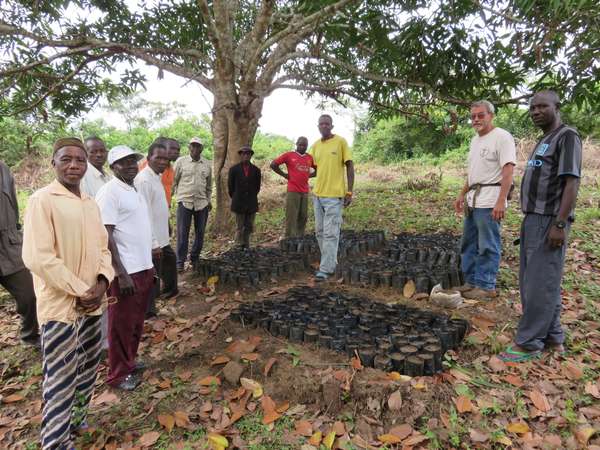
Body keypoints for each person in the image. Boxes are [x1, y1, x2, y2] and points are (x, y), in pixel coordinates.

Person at [22, 138, 114, 449]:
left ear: (86, 164)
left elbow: (102, 249)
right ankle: (55, 442)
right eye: (66, 159)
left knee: (88, 366)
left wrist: (101, 283)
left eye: (79, 159)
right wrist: (80, 289)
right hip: (61, 306)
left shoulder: (89, 203)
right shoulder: (42, 200)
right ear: (54, 163)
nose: (73, 165)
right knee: (60, 376)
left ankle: (77, 420)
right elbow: (38, 257)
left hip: (92, 302)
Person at [500, 90, 582, 362]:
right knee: (541, 280)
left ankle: (529, 342)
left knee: (537, 283)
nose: (535, 111)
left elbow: (571, 183)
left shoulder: (567, 136)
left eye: (542, 106)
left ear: (557, 107)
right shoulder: (543, 140)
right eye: (532, 107)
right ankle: (553, 337)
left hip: (549, 219)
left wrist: (559, 223)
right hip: (533, 218)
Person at [96, 145, 155, 390]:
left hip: (143, 266)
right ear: (113, 167)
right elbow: (105, 235)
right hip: (126, 271)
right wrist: (120, 272)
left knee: (135, 321)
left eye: (133, 161)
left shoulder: (134, 189)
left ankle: (129, 361)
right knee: (120, 324)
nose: (131, 165)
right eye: (124, 162)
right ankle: (118, 374)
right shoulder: (109, 192)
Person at [453, 100, 516, 299]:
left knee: (488, 244)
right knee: (468, 243)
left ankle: (486, 285)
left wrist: (501, 201)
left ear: (491, 116)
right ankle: (471, 281)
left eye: (481, 115)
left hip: (490, 200)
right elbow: (473, 174)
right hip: (474, 200)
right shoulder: (475, 140)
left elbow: (508, 170)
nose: (476, 119)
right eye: (473, 116)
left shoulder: (502, 137)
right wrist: (462, 194)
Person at [309, 114, 354, 282]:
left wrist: (349, 192)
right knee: (320, 232)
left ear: (332, 126)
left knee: (331, 233)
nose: (324, 126)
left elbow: (350, 165)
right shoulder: (315, 146)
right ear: (318, 126)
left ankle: (326, 269)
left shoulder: (341, 142)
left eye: (327, 124)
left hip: (334, 196)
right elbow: (313, 169)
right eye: (321, 124)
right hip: (317, 195)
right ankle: (331, 263)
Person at [0, 160, 39, 347]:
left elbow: (13, 203)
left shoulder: (2, 168)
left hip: (9, 244)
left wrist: (16, 231)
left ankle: (29, 335)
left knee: (29, 295)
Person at [135, 142, 171, 318]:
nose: (163, 161)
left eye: (165, 158)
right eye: (159, 158)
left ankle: (152, 308)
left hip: (160, 236)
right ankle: (148, 312)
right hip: (151, 241)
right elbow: (144, 214)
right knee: (150, 276)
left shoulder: (156, 176)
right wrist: (153, 243)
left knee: (155, 275)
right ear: (148, 158)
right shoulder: (143, 180)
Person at [173, 137, 212, 271]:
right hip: (185, 202)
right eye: (193, 146)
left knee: (200, 233)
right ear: (189, 147)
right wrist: (170, 200)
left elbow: (209, 186)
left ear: (201, 148)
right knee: (183, 233)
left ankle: (195, 259)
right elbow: (174, 181)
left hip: (202, 203)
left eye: (198, 146)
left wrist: (208, 200)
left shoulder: (206, 164)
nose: (195, 149)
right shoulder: (181, 162)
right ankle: (180, 262)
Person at [270, 136, 315, 238]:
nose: (302, 147)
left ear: (307, 146)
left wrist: (309, 175)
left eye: (305, 145)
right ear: (296, 144)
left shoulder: (309, 157)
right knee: (292, 216)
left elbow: (318, 169)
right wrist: (285, 175)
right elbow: (273, 164)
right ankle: (290, 239)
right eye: (300, 144)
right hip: (293, 190)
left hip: (305, 190)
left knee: (303, 216)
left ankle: (300, 237)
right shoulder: (289, 155)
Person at [228, 146, 262, 248]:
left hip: (251, 202)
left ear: (251, 155)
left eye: (248, 154)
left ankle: (246, 246)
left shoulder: (256, 170)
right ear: (240, 155)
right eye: (243, 154)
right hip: (238, 202)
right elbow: (230, 187)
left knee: (249, 226)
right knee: (239, 226)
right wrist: (236, 197)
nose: (246, 155)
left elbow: (257, 187)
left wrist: (250, 196)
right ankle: (238, 246)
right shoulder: (234, 170)